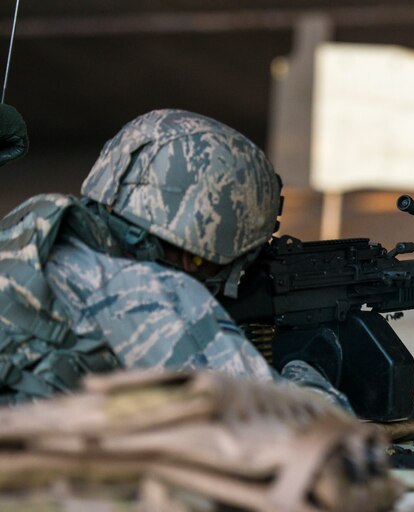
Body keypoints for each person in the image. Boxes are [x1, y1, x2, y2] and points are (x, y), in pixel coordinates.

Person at [0, 108, 348, 408]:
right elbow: (311, 438)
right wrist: (309, 367)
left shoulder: (21, 237)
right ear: (194, 253)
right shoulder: (154, 295)